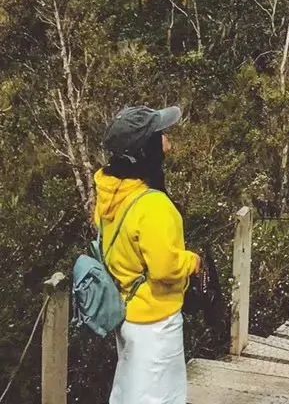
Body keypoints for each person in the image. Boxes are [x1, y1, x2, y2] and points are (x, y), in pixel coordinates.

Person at [94, 105, 201, 404]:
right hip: (156, 319)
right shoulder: (153, 205)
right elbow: (165, 269)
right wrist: (193, 262)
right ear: (146, 150)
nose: (168, 142)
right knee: (160, 396)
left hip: (126, 311)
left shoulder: (111, 192)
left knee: (130, 390)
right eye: (161, 136)